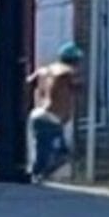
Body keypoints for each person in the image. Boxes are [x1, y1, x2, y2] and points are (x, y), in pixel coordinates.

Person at [27, 43, 83, 183]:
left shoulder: (43, 71)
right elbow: (78, 85)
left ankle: (38, 174)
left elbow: (29, 81)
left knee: (53, 150)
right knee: (53, 152)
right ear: (74, 60)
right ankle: (36, 174)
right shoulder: (67, 72)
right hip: (51, 118)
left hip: (39, 113)